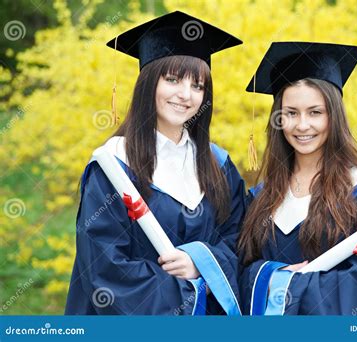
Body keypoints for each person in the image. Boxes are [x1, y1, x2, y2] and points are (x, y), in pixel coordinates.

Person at [65, 11, 244, 315]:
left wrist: (201, 263)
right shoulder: (114, 166)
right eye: (172, 80)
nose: (185, 95)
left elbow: (240, 240)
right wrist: (189, 295)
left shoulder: (218, 165)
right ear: (148, 83)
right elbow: (105, 268)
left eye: (198, 86)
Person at [238, 42, 357, 315]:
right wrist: (272, 274)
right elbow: (240, 271)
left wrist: (286, 285)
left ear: (334, 116)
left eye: (315, 112)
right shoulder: (261, 197)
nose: (302, 125)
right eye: (291, 113)